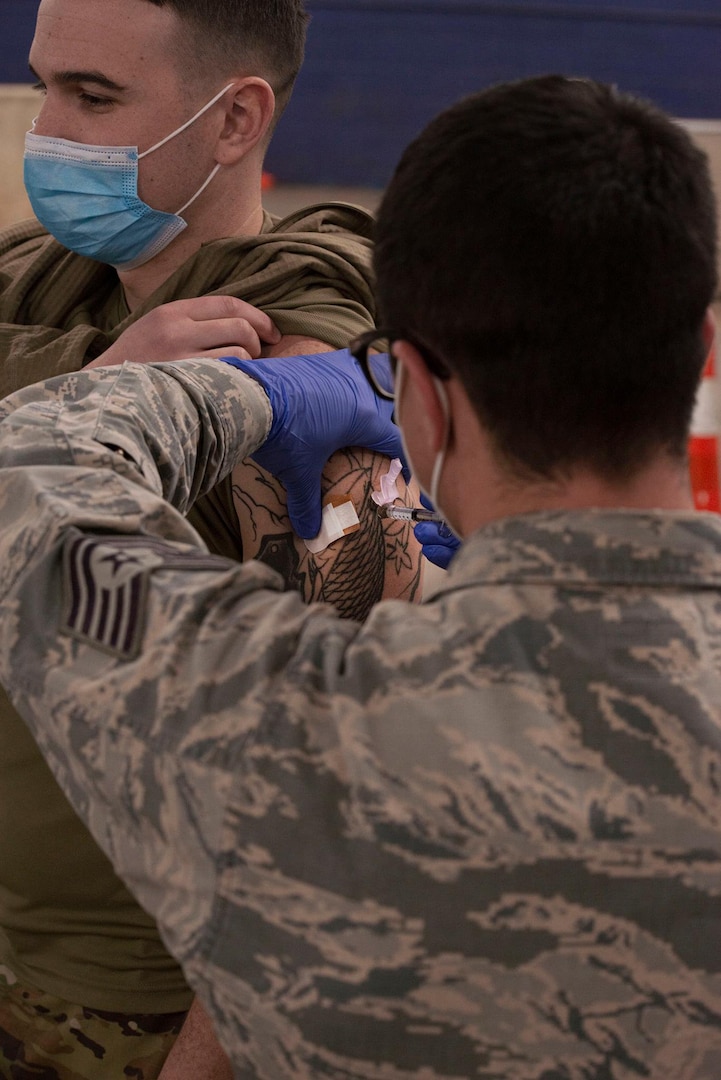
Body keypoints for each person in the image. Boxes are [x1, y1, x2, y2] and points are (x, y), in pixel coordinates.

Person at [2, 73, 721, 1077]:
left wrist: (243, 396)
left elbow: (27, 475)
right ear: (701, 356)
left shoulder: (279, 721)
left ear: (414, 397)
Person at [0, 0, 422, 1075]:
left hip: (136, 1006)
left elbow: (338, 776)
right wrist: (90, 397)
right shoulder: (32, 281)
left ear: (235, 121)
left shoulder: (306, 347)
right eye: (45, 82)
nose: (48, 131)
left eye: (94, 96)